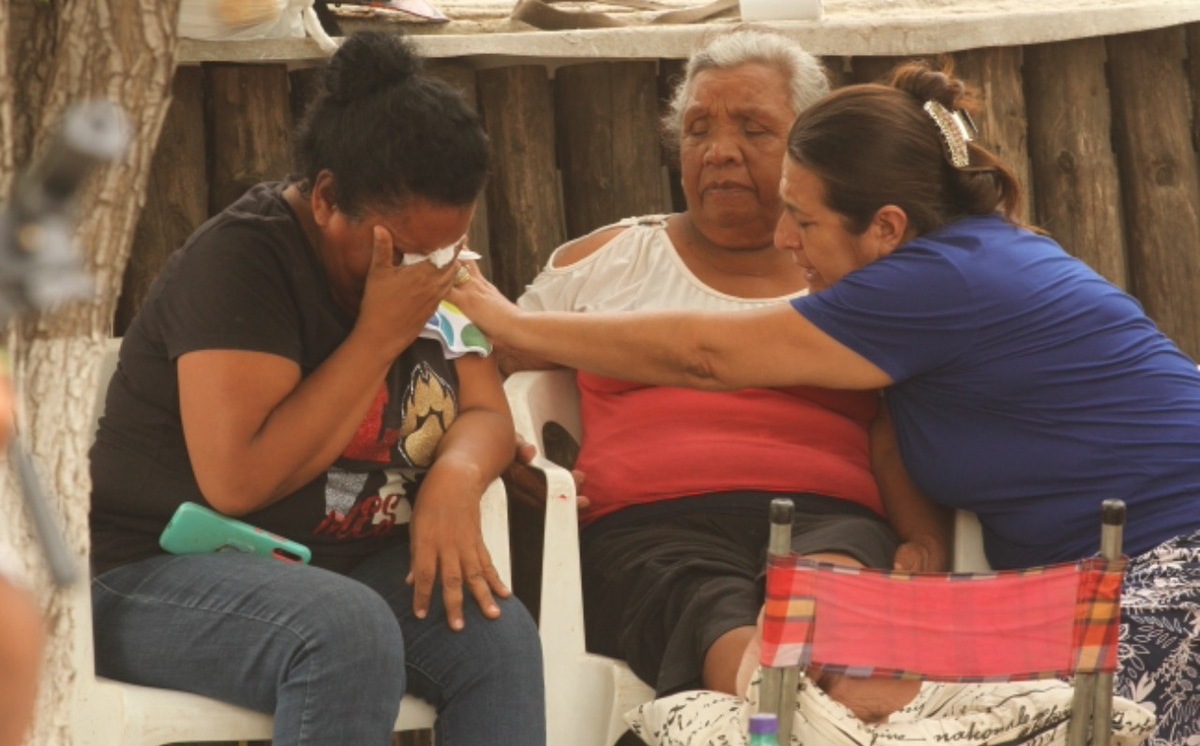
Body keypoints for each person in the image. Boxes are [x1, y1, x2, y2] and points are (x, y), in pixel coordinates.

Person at [450, 61, 1200, 744]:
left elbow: (709, 354)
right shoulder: (964, 255)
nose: (784, 237)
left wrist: (511, 319)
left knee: (1054, 727)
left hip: (1173, 560)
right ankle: (785, 709)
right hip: (1100, 573)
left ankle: (776, 715)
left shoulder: (921, 286)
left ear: (886, 228)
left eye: (803, 220)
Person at [89, 32, 545, 746]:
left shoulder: (435, 262)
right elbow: (238, 480)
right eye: (404, 250)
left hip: (343, 566)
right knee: (343, 631)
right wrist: (377, 338)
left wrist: (455, 478)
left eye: (447, 248)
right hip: (156, 573)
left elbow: (486, 409)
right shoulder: (243, 262)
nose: (427, 272)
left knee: (495, 638)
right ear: (328, 199)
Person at [502, 28, 948, 710]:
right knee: (698, 601)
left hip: (829, 516)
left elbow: (903, 422)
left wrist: (925, 537)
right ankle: (777, 700)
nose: (719, 151)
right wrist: (505, 450)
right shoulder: (610, 261)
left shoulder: (854, 269)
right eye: (697, 129)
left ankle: (808, 702)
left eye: (753, 129)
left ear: (809, 148)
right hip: (648, 528)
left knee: (833, 584)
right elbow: (482, 357)